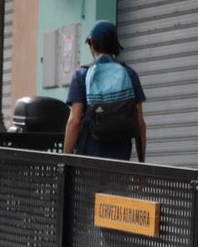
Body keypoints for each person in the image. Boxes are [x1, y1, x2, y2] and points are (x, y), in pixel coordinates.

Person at [63, 19, 147, 162]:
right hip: (120, 162)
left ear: (92, 43)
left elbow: (75, 122)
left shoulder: (81, 76)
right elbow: (140, 124)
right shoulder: (129, 74)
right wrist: (141, 163)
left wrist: (64, 160)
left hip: (88, 163)